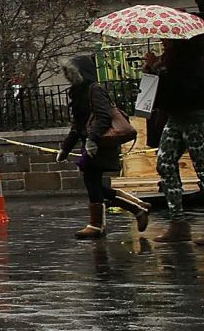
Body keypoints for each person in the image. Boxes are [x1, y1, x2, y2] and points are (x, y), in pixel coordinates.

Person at [59, 53, 153, 239]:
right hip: (91, 143)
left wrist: (92, 140)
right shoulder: (77, 93)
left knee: (92, 181)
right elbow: (77, 125)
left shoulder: (95, 89)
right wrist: (66, 148)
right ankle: (137, 208)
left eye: (72, 73)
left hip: (102, 143)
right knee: (93, 182)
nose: (69, 78)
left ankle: (98, 225)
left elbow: (103, 117)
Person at [146, 35, 204, 245]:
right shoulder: (168, 60)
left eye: (167, 39)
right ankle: (178, 222)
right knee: (165, 163)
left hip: (197, 116)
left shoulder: (193, 61)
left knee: (203, 168)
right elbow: (163, 92)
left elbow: (185, 89)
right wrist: (152, 69)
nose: (163, 41)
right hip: (176, 117)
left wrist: (160, 70)